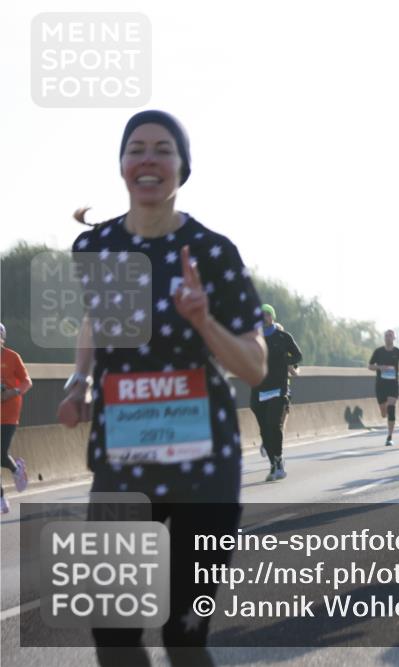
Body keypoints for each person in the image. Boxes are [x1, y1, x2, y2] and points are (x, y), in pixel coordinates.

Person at [56, 110, 267, 666]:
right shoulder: (95, 248)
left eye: (163, 149)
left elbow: (254, 368)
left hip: (205, 471)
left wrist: (203, 321)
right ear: (123, 165)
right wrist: (80, 382)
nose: (148, 159)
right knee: (115, 634)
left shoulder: (214, 253)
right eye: (136, 149)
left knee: (183, 635)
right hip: (123, 462)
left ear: (182, 167)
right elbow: (97, 322)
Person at [250, 304, 302, 482]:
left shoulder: (283, 337)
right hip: (259, 390)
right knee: (265, 430)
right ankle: (273, 464)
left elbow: (298, 356)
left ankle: (278, 460)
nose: (263, 317)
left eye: (266, 314)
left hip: (278, 389)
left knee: (274, 425)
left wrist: (283, 360)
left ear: (272, 317)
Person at [1, 323, 33, 514]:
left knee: (0, 451)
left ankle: (15, 469)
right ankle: (1, 500)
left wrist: (11, 392)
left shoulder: (13, 357)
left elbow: (27, 382)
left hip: (9, 412)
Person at [368, 330, 399, 446]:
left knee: (391, 408)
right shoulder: (378, 351)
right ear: (384, 338)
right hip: (381, 385)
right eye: (386, 335)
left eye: (390, 335)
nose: (388, 337)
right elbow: (370, 366)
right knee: (384, 412)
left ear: (394, 338)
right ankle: (384, 413)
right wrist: (380, 367)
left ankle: (389, 436)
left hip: (393, 384)